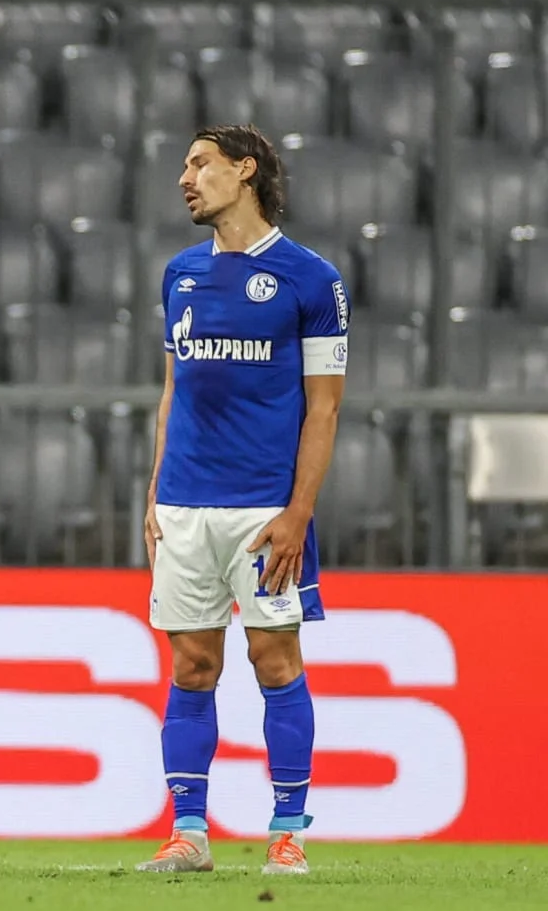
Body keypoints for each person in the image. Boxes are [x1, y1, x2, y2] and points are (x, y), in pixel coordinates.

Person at [139, 125, 346, 877]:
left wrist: (298, 513)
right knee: (191, 664)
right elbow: (173, 392)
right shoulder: (180, 274)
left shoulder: (311, 279)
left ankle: (288, 832)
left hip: (264, 509)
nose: (185, 178)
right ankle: (188, 833)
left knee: (274, 660)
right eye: (184, 166)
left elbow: (324, 407)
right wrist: (154, 494)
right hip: (185, 504)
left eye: (200, 164)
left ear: (245, 170)